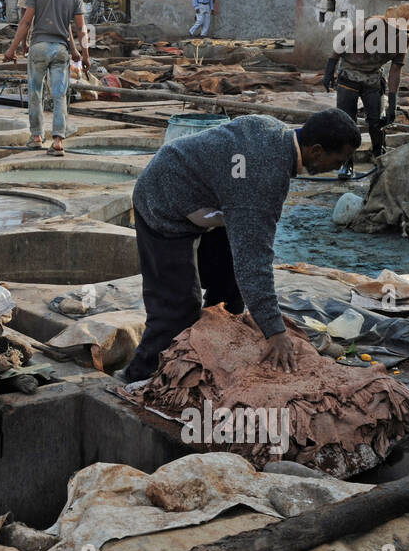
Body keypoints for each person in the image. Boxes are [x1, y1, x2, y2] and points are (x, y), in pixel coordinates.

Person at [124, 109, 360, 380]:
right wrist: (275, 331)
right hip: (162, 202)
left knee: (229, 291)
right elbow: (254, 263)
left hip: (210, 205)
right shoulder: (264, 178)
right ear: (317, 151)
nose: (339, 168)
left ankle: (211, 350)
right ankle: (139, 377)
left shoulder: (275, 131)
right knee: (176, 308)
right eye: (338, 160)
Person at [2, 0, 89, 156]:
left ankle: (36, 137)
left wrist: (12, 49)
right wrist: (85, 55)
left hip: (38, 48)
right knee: (59, 95)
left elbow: (25, 23)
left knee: (35, 92)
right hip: (60, 50)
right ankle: (58, 140)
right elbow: (81, 29)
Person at [323, 6, 409, 179]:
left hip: (372, 77)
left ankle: (378, 154)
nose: (399, 32)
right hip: (350, 73)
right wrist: (330, 70)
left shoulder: (403, 40)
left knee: (377, 121)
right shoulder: (369, 26)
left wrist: (393, 102)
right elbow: (340, 44)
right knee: (346, 121)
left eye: (404, 29)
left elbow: (395, 70)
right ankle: (346, 161)